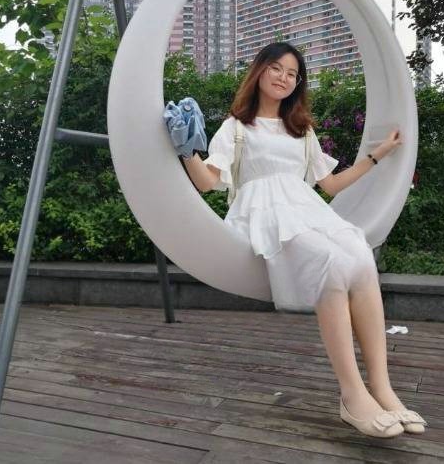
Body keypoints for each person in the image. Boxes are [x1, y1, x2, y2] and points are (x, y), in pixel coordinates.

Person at [179, 41, 427, 438]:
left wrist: (377, 155)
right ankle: (352, 394)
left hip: (305, 210)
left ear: (298, 84)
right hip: (263, 215)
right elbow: (208, 182)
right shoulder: (236, 127)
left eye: (292, 74)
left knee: (360, 256)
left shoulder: (302, 130)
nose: (283, 77)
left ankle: (382, 388)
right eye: (276, 68)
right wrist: (186, 150)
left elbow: (330, 185)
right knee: (332, 263)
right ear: (260, 71)